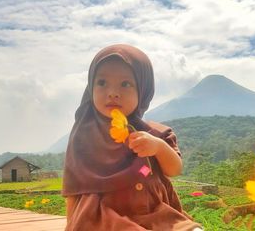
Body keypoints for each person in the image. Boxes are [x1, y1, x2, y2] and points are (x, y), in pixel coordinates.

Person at [62, 44, 202, 230]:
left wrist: (159, 147)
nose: (112, 93)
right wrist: (71, 223)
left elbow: (174, 169)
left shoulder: (155, 133)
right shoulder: (85, 136)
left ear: (143, 90)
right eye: (102, 82)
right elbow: (74, 186)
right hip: (105, 217)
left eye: (125, 84)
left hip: (156, 213)